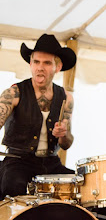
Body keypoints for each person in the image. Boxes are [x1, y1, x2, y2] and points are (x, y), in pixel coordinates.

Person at [0, 34, 76, 197]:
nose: (40, 67)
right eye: (36, 62)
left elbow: (66, 144)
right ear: (30, 64)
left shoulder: (66, 98)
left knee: (78, 187)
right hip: (17, 161)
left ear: (58, 66)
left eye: (47, 63)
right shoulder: (14, 93)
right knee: (14, 187)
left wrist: (64, 134)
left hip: (51, 164)